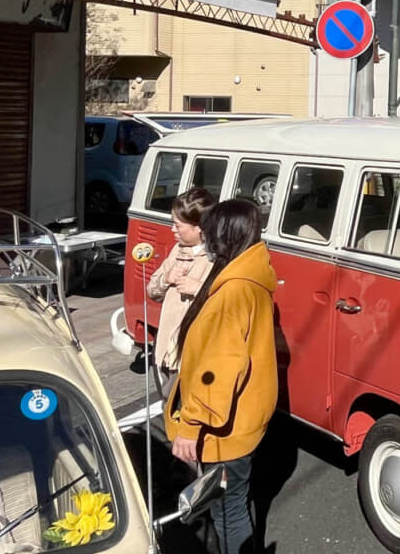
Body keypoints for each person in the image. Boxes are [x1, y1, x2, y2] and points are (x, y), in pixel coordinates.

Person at [166, 199, 279, 554]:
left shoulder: (233, 288)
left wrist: (192, 425)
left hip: (223, 427)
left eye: (209, 232)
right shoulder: (250, 275)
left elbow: (221, 366)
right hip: (243, 415)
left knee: (228, 510)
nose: (205, 239)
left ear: (223, 236)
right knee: (234, 502)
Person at [146, 187, 216, 398]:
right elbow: (152, 290)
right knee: (168, 402)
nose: (172, 230)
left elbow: (228, 302)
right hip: (168, 346)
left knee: (185, 407)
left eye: (177, 225)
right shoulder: (178, 250)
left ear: (199, 228)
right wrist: (166, 279)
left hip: (195, 352)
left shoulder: (217, 258)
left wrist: (200, 289)